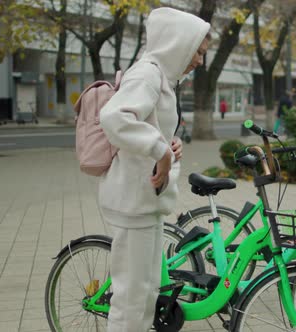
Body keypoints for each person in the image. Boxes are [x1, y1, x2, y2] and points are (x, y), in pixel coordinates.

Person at [98, 7, 210, 332]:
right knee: (131, 302)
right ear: (177, 42)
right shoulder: (146, 74)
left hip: (146, 204)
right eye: (197, 51)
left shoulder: (162, 77)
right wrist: (160, 150)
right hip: (134, 203)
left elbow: (148, 128)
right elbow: (114, 118)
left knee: (145, 295)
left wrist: (170, 144)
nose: (200, 60)